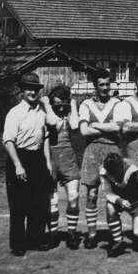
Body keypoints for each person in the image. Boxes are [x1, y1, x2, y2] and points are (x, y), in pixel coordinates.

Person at [1, 72, 58, 256]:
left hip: (38, 158)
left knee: (39, 202)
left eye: (35, 89)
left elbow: (47, 136)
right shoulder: (15, 113)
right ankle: (18, 244)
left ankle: (35, 239)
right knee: (18, 204)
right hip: (19, 157)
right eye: (29, 89)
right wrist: (18, 165)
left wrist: (47, 161)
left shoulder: (41, 111)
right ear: (22, 91)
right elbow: (8, 141)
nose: (32, 92)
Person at [78, 68, 123, 249]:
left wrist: (95, 124)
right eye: (101, 85)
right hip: (92, 150)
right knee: (92, 194)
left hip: (112, 150)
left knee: (113, 194)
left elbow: (118, 128)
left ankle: (116, 236)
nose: (105, 88)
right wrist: (106, 127)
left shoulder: (117, 103)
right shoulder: (86, 104)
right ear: (95, 86)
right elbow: (83, 131)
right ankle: (92, 234)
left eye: (107, 84)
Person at [45, 85, 82, 249]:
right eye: (57, 104)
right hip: (51, 159)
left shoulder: (68, 113)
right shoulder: (47, 112)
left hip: (68, 159)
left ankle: (72, 234)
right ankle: (53, 234)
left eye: (63, 104)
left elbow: (74, 126)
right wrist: (47, 105)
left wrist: (73, 104)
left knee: (73, 197)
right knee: (52, 201)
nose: (60, 108)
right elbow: (52, 122)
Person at [101, 151, 138, 257]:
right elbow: (107, 192)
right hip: (120, 198)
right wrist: (119, 200)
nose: (114, 176)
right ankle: (118, 242)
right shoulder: (104, 171)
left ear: (121, 166)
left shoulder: (134, 168)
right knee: (110, 207)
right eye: (111, 173)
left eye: (116, 172)